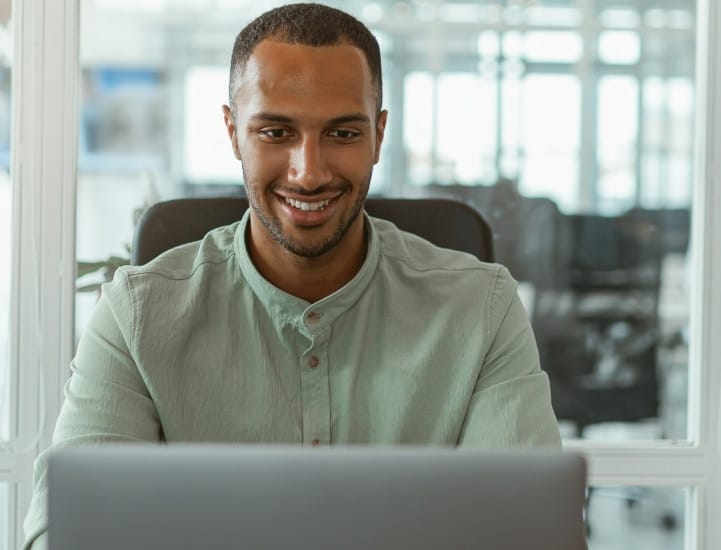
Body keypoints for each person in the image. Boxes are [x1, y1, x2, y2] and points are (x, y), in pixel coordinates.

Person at [21, 4, 560, 548]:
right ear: (234, 133)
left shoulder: (480, 309)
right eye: (276, 131)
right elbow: (65, 534)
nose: (309, 172)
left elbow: (527, 533)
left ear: (378, 133)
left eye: (343, 133)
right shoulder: (136, 317)